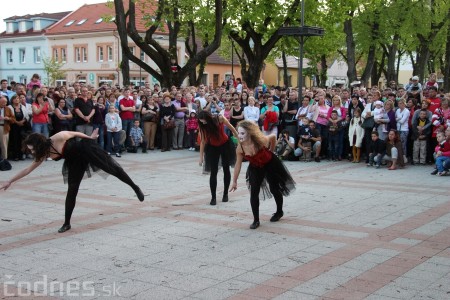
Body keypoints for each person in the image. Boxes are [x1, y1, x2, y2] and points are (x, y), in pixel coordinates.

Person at [0, 129, 144, 233]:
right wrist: (10, 181)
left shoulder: (59, 137)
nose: (31, 152)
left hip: (86, 150)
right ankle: (67, 223)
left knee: (113, 169)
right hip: (74, 162)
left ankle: (135, 187)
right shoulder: (42, 153)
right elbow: (27, 170)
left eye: (32, 149)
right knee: (72, 190)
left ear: (39, 144)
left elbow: (75, 134)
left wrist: (89, 137)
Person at [230, 120, 295, 229]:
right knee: (254, 192)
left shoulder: (261, 141)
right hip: (255, 167)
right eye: (238, 133)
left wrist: (271, 150)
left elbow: (273, 136)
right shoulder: (240, 148)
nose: (239, 136)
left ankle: (279, 211)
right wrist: (234, 181)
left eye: (242, 133)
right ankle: (256, 220)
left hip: (270, 164)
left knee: (275, 189)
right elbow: (238, 165)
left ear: (250, 133)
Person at [198, 110, 237, 205]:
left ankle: (225, 194)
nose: (202, 122)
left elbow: (232, 128)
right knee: (213, 172)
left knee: (226, 169)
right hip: (212, 147)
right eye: (201, 121)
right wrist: (201, 157)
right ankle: (213, 197)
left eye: (203, 120)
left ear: (208, 117)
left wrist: (239, 140)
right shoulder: (202, 126)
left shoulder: (219, 118)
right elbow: (203, 142)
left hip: (225, 144)